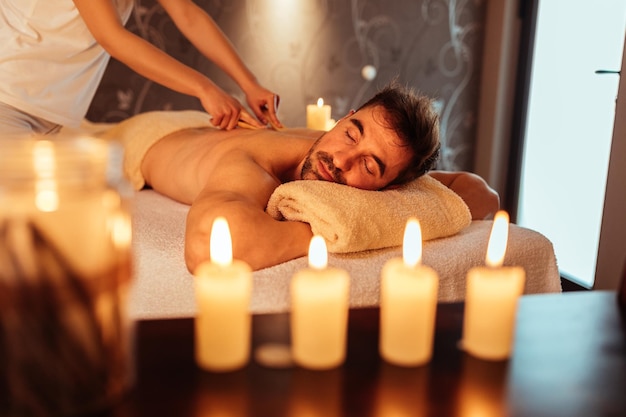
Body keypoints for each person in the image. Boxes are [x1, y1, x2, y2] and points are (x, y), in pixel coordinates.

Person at [137, 83, 499, 271]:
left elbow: (481, 194)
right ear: (345, 116)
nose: (340, 160)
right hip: (146, 139)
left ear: (395, 186)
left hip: (206, 130)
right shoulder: (255, 164)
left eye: (369, 166)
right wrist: (328, 230)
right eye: (351, 133)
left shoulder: (345, 153)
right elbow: (204, 248)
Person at [0, 0, 281, 135]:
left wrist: (250, 83)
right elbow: (112, 37)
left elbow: (188, 15)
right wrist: (205, 88)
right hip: (8, 97)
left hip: (48, 114)